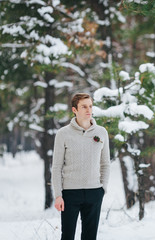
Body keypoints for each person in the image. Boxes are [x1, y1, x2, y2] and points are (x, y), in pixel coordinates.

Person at [51, 93, 110, 240]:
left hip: (94, 192)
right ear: (74, 110)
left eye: (90, 106)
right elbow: (56, 166)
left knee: (90, 237)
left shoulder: (101, 132)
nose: (88, 110)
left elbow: (105, 164)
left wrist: (103, 189)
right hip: (70, 194)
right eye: (84, 106)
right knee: (67, 237)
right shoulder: (63, 134)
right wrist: (58, 195)